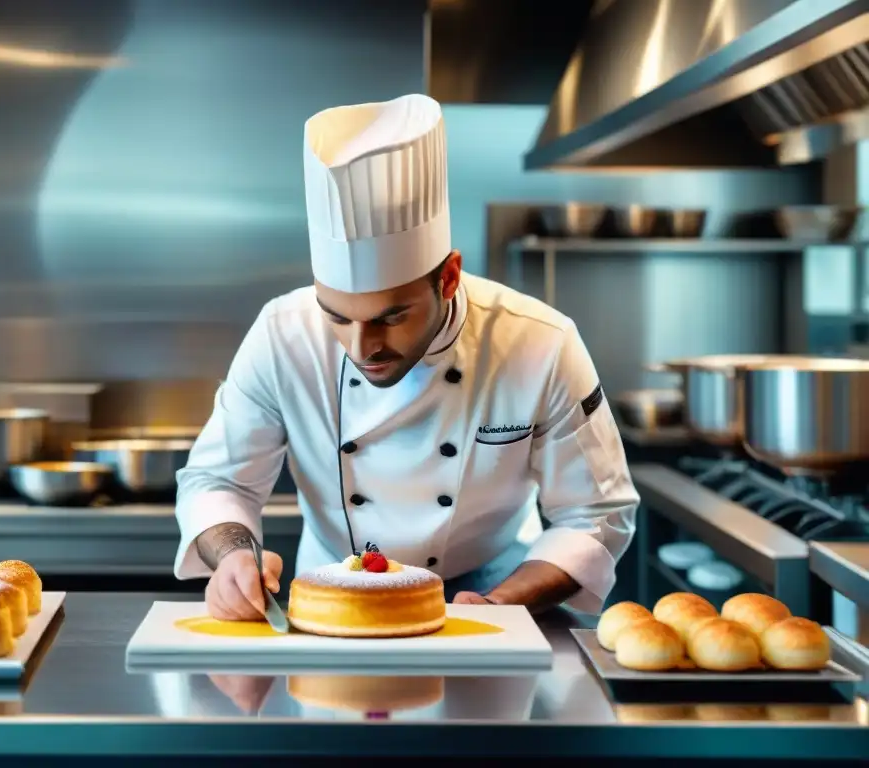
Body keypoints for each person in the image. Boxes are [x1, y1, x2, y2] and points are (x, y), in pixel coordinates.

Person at [174, 93, 638, 620]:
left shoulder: (541, 342)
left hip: (493, 588)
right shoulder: (282, 334)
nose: (361, 346)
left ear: (448, 277)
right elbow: (218, 481)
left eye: (390, 318)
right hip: (331, 598)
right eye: (336, 316)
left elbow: (596, 513)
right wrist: (234, 554)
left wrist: (500, 604)